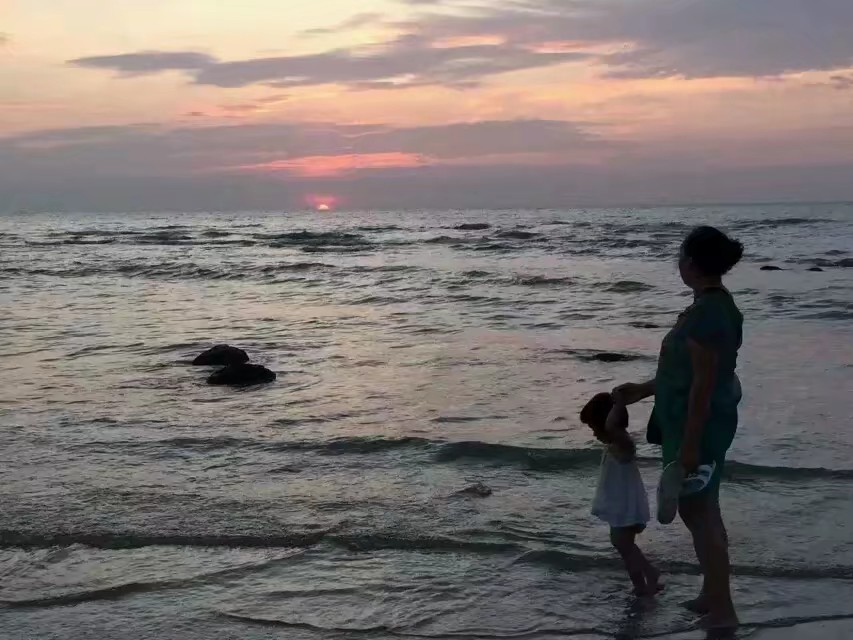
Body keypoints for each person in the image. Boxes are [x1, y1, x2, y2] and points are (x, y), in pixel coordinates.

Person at [613, 226, 744, 630]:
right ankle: (712, 593)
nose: (679, 262)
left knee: (698, 512)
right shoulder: (711, 306)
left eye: (681, 255)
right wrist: (643, 390)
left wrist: (689, 446)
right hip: (692, 423)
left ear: (690, 262)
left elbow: (704, 385)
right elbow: (686, 374)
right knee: (706, 509)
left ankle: (724, 611)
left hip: (698, 427)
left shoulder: (708, 313)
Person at [581, 392, 660, 596]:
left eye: (593, 427)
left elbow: (613, 429)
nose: (593, 434)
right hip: (621, 505)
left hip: (625, 507)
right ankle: (649, 575)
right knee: (624, 545)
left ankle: (643, 584)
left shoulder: (623, 444)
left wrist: (619, 402)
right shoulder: (615, 444)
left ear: (606, 423)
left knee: (623, 545)